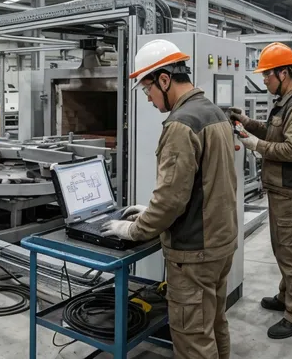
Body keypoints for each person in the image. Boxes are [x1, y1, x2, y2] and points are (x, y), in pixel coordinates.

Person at [102, 39, 239, 359]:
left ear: (165, 80)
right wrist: (151, 210)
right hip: (220, 242)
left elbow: (171, 200)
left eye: (147, 87)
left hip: (194, 252)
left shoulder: (180, 124)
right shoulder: (213, 112)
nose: (148, 97)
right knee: (214, 322)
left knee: (192, 336)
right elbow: (202, 184)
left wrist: (132, 230)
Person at [229, 42, 292, 340]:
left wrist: (253, 144)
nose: (263, 80)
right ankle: (286, 297)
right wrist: (246, 122)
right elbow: (272, 132)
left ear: (283, 73)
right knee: (282, 248)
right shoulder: (284, 103)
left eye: (267, 75)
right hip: (281, 189)